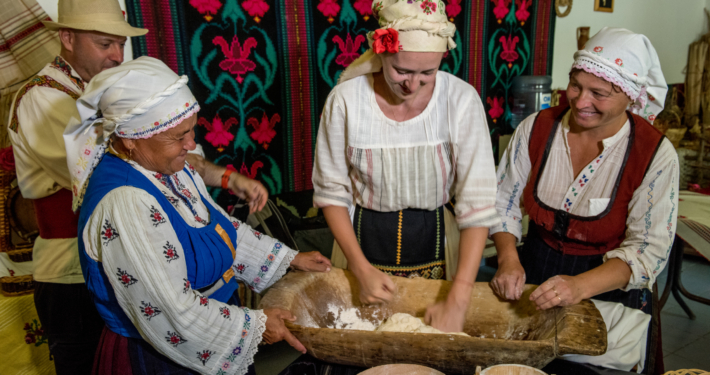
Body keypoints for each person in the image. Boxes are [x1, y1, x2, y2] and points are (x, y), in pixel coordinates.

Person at [8, 0, 266, 372]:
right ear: (67, 37)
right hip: (73, 273)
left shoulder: (110, 92)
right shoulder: (42, 99)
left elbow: (167, 156)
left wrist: (225, 176)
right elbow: (119, 168)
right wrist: (166, 151)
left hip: (136, 261)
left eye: (119, 44)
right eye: (104, 44)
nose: (116, 56)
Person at [63, 57, 332, 374]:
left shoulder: (167, 169)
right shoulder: (126, 202)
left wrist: (288, 259)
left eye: (191, 131)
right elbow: (170, 310)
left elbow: (215, 226)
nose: (191, 145)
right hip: (161, 357)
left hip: (212, 323)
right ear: (129, 139)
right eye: (178, 137)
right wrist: (257, 325)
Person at [490, 27, 678, 373]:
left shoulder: (654, 154)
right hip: (535, 273)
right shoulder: (536, 128)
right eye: (575, 85)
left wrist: (579, 286)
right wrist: (507, 259)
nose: (579, 101)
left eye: (599, 93)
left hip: (607, 291)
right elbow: (503, 203)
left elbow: (647, 249)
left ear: (632, 97)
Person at [312, 0, 499, 333]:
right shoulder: (346, 100)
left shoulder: (461, 100)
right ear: (381, 52)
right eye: (402, 71)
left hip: (439, 239)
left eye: (427, 73)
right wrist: (360, 268)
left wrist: (459, 296)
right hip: (361, 239)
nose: (412, 85)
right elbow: (331, 193)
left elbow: (478, 203)